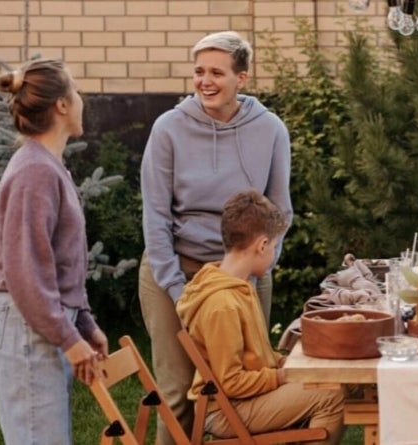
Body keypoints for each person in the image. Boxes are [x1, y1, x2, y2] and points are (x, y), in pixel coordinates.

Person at [140, 31, 293, 445]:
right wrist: (178, 290)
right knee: (177, 395)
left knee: (245, 383)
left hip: (244, 272)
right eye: (199, 72)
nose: (205, 81)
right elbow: (154, 216)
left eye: (216, 72)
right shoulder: (168, 128)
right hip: (175, 268)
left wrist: (254, 268)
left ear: (241, 79)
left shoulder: (270, 130)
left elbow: (280, 211)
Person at [0, 59, 108, 444]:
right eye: (77, 91)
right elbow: (26, 274)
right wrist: (69, 339)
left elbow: (60, 261)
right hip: (25, 328)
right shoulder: (34, 172)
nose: (81, 99)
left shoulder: (48, 167)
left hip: (37, 326)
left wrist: (83, 322)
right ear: (62, 105)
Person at [177, 190, 344, 443]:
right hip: (226, 410)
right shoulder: (222, 304)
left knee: (331, 380)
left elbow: (256, 356)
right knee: (331, 395)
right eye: (274, 246)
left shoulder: (240, 286)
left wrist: (286, 363)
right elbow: (231, 382)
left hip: (246, 399)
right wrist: (281, 376)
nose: (273, 252)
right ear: (262, 245)